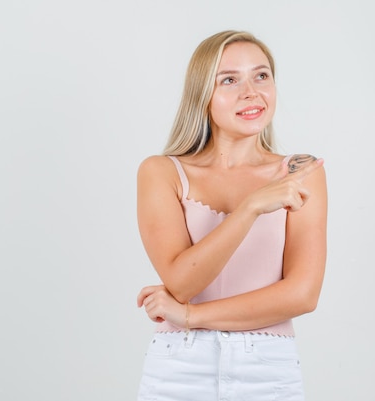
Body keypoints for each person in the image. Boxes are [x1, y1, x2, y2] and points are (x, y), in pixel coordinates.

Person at [134, 30, 327, 401]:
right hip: (178, 369)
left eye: (261, 75)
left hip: (268, 369)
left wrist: (189, 316)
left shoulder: (302, 172)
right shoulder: (161, 172)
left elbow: (302, 295)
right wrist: (253, 206)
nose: (251, 92)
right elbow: (181, 282)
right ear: (202, 95)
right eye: (229, 80)